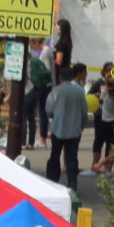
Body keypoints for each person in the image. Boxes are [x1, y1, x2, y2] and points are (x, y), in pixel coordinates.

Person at [44, 64, 88, 192]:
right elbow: (84, 111)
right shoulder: (79, 91)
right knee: (72, 157)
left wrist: (54, 116)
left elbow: (48, 110)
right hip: (74, 130)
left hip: (58, 128)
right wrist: (82, 125)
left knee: (55, 155)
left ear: (60, 77)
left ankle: (52, 179)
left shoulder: (56, 91)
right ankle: (72, 182)